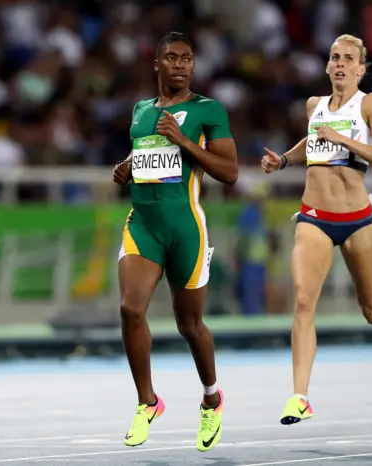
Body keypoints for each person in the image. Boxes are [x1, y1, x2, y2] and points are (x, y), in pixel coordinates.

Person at [260, 34, 372, 425]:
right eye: (334, 57)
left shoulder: (370, 103)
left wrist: (343, 139)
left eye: (349, 58)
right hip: (314, 216)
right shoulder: (314, 105)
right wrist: (283, 160)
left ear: (361, 68)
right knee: (303, 303)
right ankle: (300, 396)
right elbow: (312, 142)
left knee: (371, 309)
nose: (340, 64)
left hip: (357, 218)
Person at [111, 31, 238, 451]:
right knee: (131, 309)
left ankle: (211, 398)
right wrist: (128, 166)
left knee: (190, 325)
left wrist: (184, 141)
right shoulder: (141, 110)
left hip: (186, 230)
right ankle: (148, 402)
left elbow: (230, 172)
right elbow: (146, 150)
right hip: (143, 224)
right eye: (172, 57)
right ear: (157, 63)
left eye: (187, 58)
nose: (181, 64)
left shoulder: (208, 110)